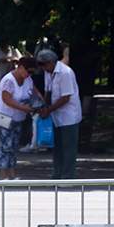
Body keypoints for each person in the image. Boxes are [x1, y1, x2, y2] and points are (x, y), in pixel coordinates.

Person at [37, 48, 82, 179]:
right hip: (56, 116)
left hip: (68, 116)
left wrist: (48, 110)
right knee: (57, 147)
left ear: (53, 62)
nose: (44, 68)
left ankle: (68, 176)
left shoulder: (65, 73)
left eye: (45, 64)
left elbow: (65, 98)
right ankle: (57, 174)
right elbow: (48, 91)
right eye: (41, 65)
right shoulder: (48, 72)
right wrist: (43, 106)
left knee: (68, 147)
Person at [0, 56, 39, 180]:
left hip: (18, 118)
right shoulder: (9, 80)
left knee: (13, 147)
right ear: (21, 67)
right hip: (3, 117)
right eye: (29, 71)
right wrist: (23, 108)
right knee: (5, 146)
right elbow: (6, 99)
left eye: (32, 72)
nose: (30, 74)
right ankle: (3, 176)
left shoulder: (28, 80)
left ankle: (12, 175)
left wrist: (41, 103)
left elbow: (35, 92)